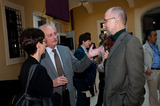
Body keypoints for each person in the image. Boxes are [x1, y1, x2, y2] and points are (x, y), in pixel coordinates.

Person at [39, 24, 104, 106]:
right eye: (50, 35)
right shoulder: (40, 56)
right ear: (43, 38)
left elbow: (78, 67)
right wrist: (51, 83)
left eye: (55, 34)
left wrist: (89, 56)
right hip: (51, 98)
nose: (55, 37)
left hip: (69, 95)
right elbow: (35, 83)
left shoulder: (65, 50)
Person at [103, 6, 145, 106]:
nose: (104, 25)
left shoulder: (131, 42)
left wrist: (127, 103)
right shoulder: (117, 41)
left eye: (106, 21)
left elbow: (137, 81)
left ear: (116, 21)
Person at [19, 28, 55, 106]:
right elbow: (47, 98)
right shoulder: (39, 69)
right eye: (45, 42)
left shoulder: (26, 64)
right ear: (38, 45)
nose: (46, 44)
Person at [73, 33, 97, 106]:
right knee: (82, 101)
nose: (90, 43)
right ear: (83, 41)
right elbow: (80, 67)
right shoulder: (79, 52)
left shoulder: (85, 50)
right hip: (82, 81)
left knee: (87, 101)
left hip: (86, 81)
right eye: (88, 41)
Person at [96, 35, 114, 106]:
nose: (105, 40)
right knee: (102, 88)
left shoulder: (112, 50)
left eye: (106, 39)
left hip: (111, 78)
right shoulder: (103, 45)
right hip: (104, 74)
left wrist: (104, 61)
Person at [143, 29, 160, 106]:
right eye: (154, 35)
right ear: (149, 37)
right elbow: (139, 62)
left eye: (156, 35)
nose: (156, 37)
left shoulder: (158, 46)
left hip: (159, 71)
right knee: (153, 95)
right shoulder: (143, 48)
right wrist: (146, 69)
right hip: (152, 72)